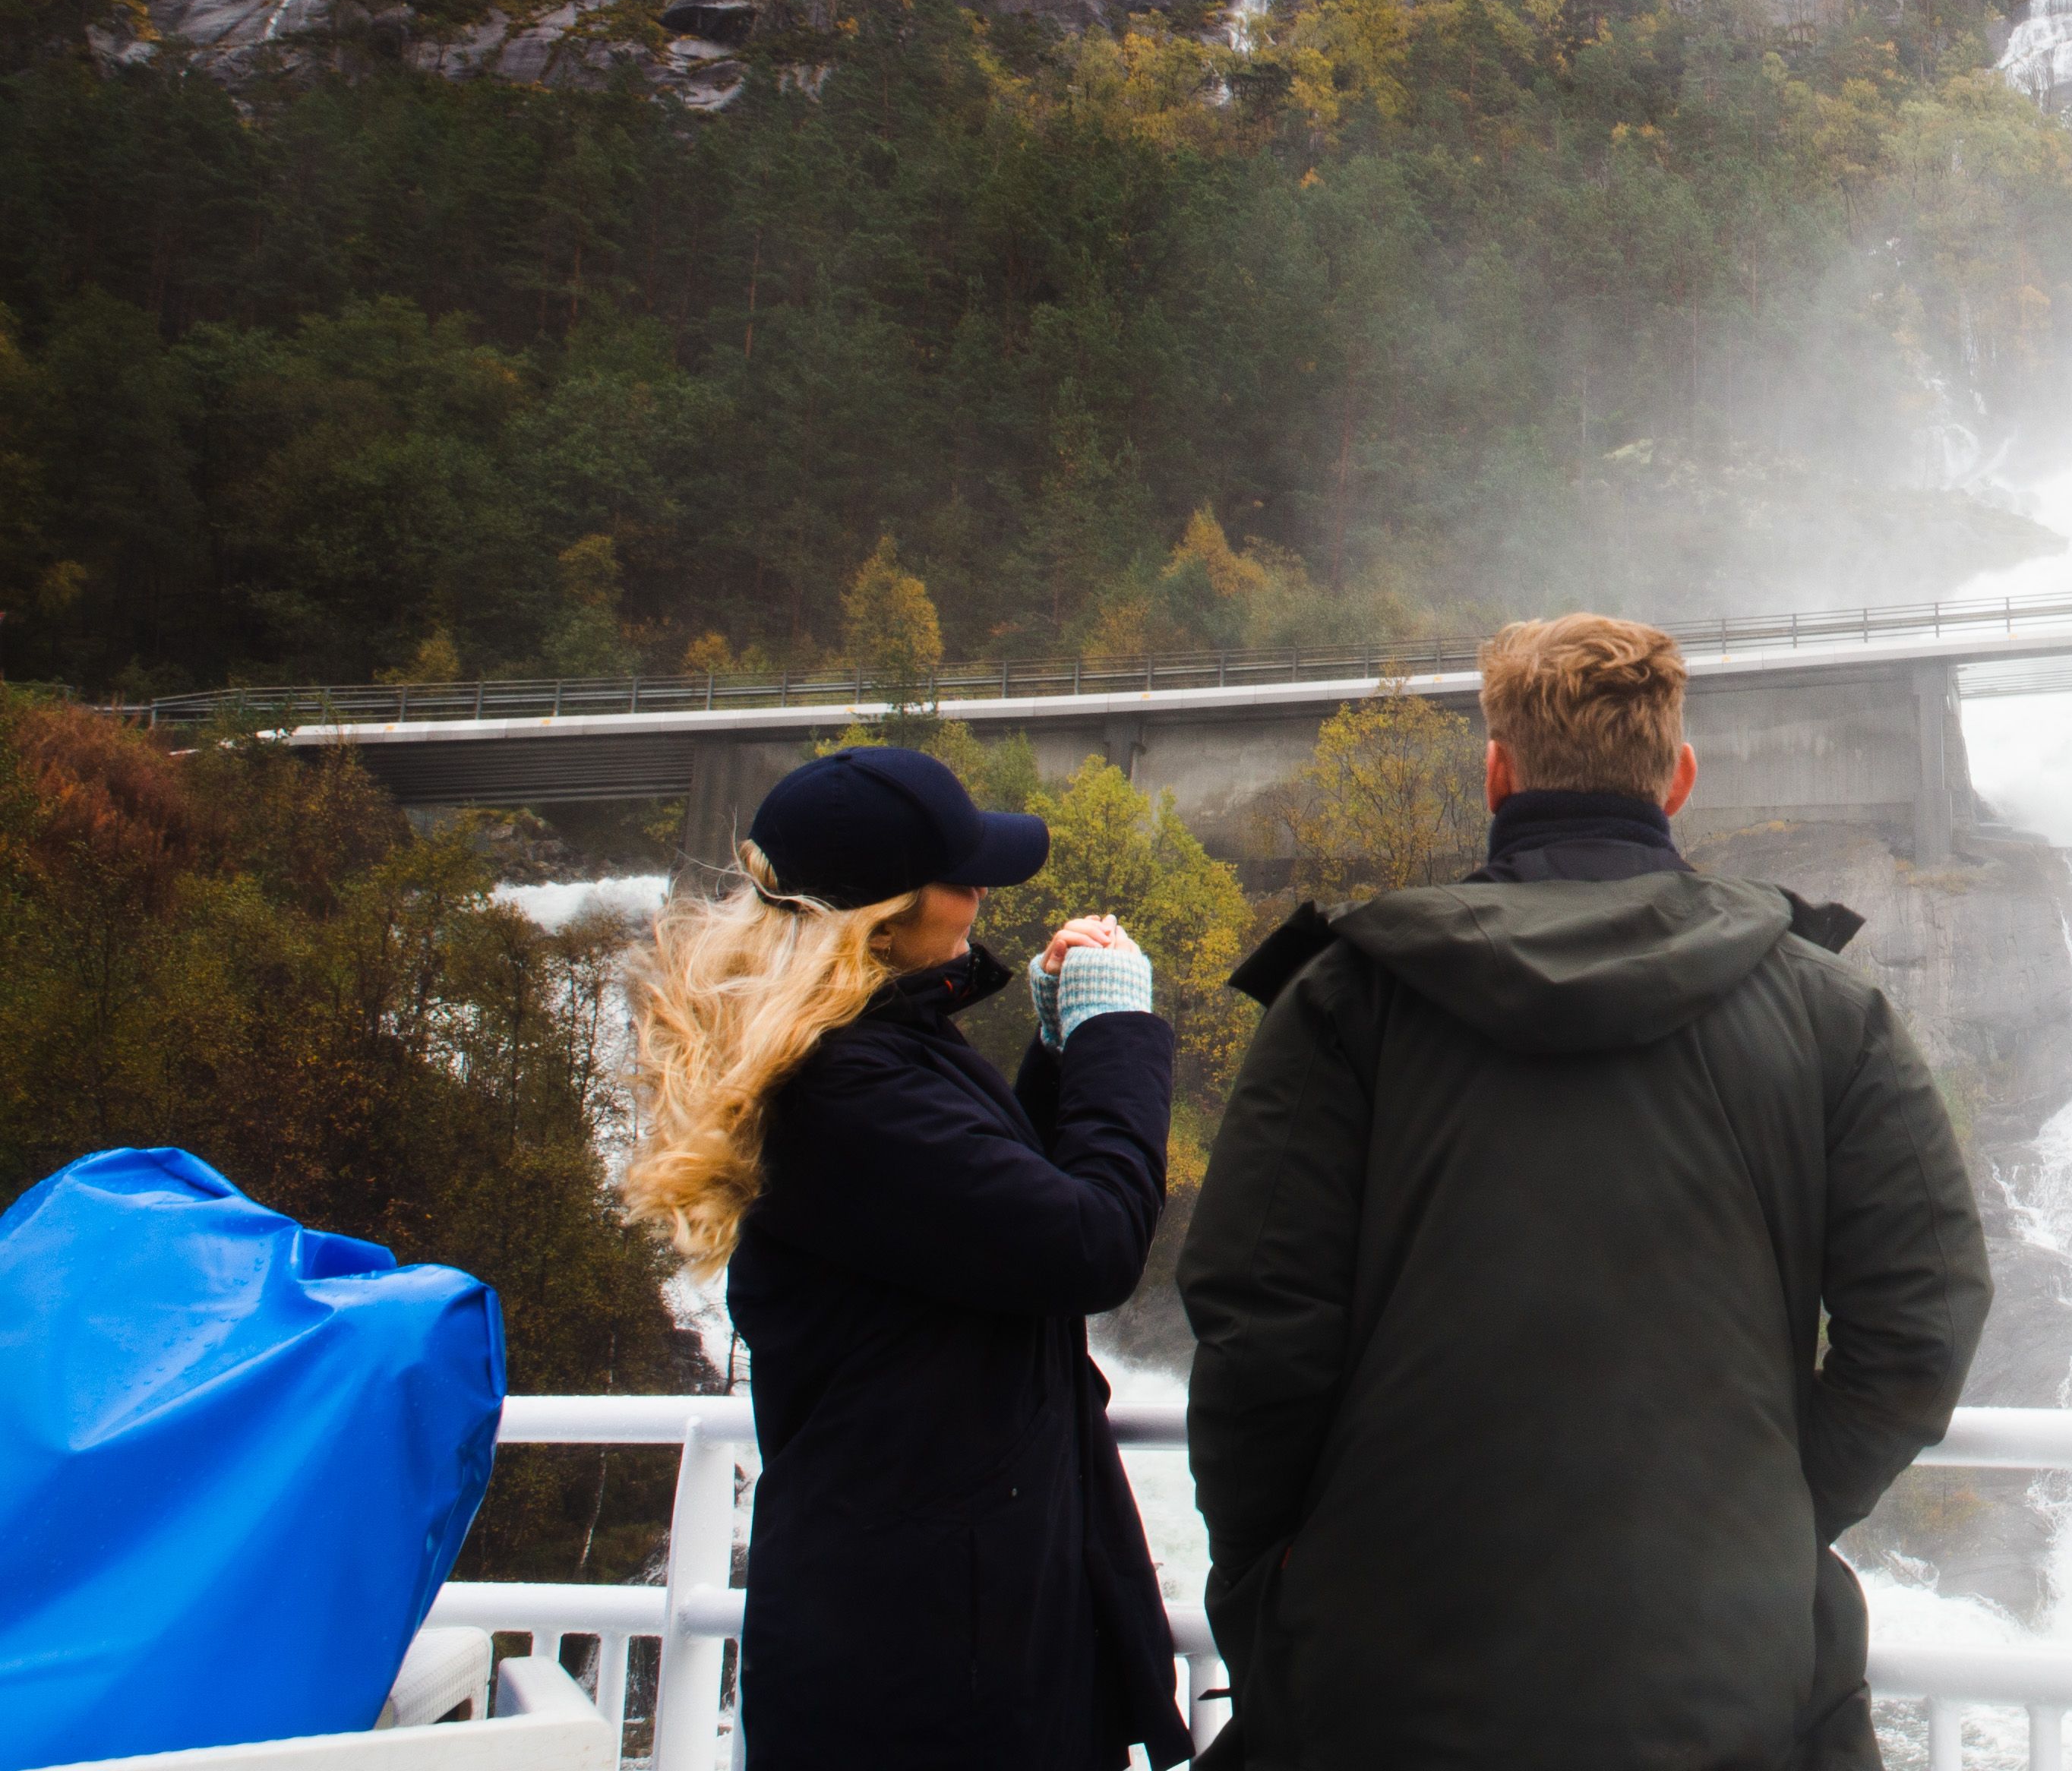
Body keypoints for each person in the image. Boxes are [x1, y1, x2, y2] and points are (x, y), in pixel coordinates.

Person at [1180, 616, 1993, 1770]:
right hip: (1724, 1674)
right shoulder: (1827, 1013)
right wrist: (1773, 1507)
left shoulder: (1346, 1002)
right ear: (1680, 776)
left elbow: (1256, 1324)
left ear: (1497, 770)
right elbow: (1926, 1317)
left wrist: (1276, 1576)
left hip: (1383, 1669)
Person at [624, 743, 1192, 1771]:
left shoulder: (858, 1051)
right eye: (963, 874)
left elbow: (973, 1225)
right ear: (884, 914)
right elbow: (1084, 1243)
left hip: (940, 1624)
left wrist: (1059, 1047)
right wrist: (1117, 1029)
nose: (983, 892)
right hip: (933, 1667)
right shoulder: (849, 1091)